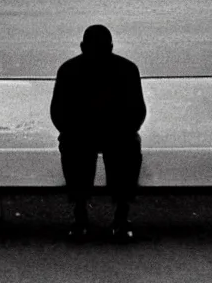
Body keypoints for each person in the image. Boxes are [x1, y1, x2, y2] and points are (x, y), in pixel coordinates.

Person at [50, 24, 147, 243]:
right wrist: (120, 129)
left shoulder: (68, 69)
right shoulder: (127, 68)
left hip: (81, 134)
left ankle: (81, 214)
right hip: (117, 133)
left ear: (82, 46)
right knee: (128, 147)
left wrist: (76, 130)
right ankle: (121, 216)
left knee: (73, 147)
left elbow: (58, 113)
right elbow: (138, 112)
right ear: (111, 47)